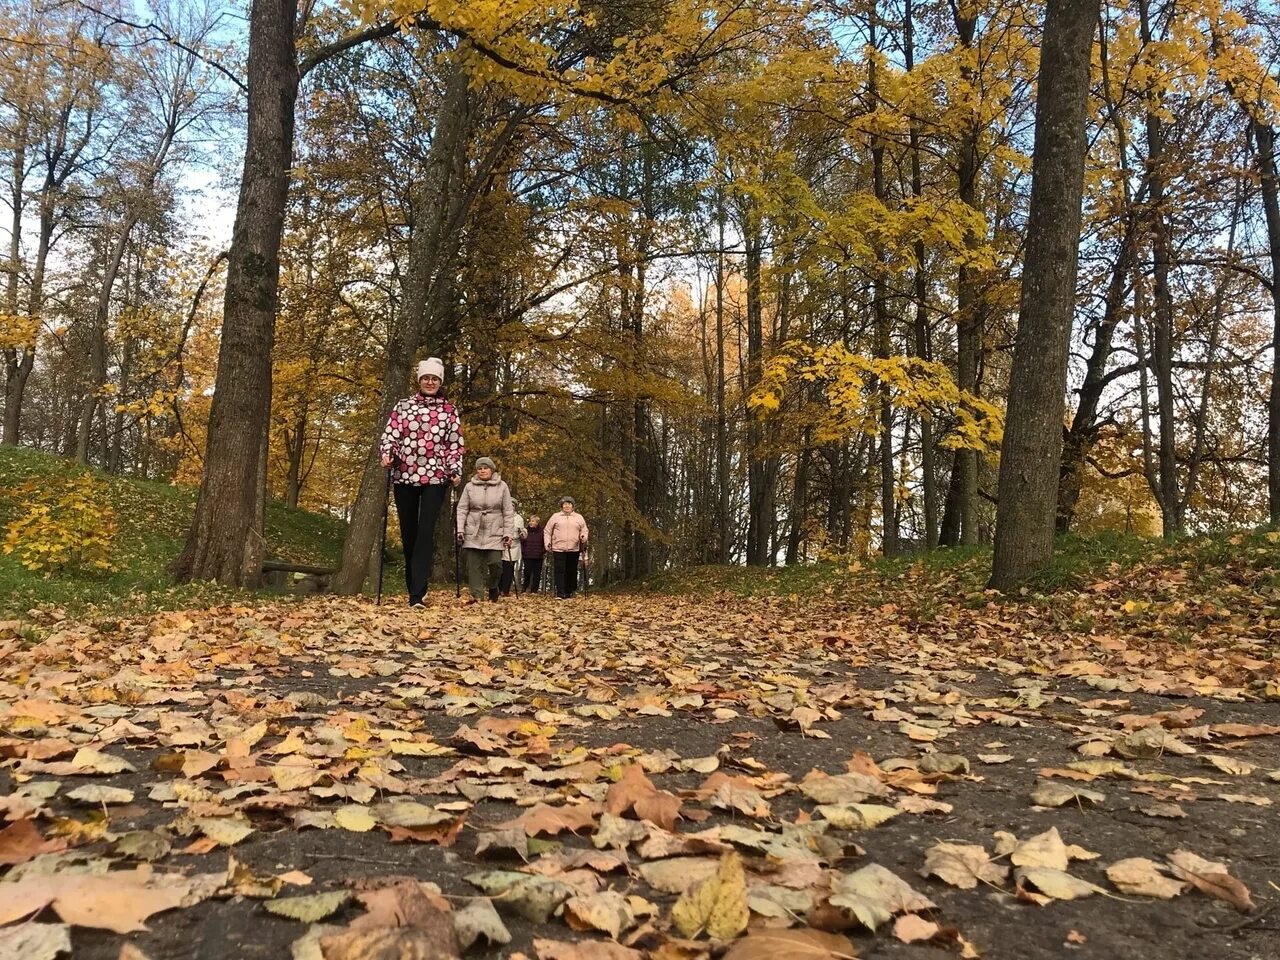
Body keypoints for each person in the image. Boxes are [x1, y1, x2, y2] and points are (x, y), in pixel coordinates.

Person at [379, 357, 463, 607]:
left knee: (426, 532)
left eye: (434, 379)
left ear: (440, 382)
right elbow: (391, 435)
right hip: (404, 475)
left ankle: (416, 594)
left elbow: (454, 446)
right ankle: (415, 585)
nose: (430, 382)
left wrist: (455, 469)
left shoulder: (449, 411)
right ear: (419, 380)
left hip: (436, 478)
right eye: (426, 378)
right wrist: (387, 455)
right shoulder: (403, 407)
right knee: (409, 533)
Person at [455, 457, 515, 602]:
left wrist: (508, 533)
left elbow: (508, 511)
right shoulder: (469, 486)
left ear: (491, 469)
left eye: (485, 468)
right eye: (479, 468)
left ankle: (493, 586)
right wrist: (460, 529)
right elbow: (462, 508)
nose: (482, 471)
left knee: (496, 564)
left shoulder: (502, 486)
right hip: (473, 530)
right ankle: (477, 596)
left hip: (495, 530)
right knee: (474, 566)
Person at [544, 496, 588, 599]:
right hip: (558, 547)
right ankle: (560, 592)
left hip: (574, 548)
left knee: (571, 570)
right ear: (561, 506)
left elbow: (584, 530)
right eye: (565, 504)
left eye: (569, 504)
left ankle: (570, 591)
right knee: (559, 570)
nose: (567, 506)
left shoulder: (579, 517)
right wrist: (547, 543)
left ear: (573, 506)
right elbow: (547, 531)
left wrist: (583, 537)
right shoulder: (555, 516)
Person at [499, 502, 527, 596]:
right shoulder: (500, 515)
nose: (511, 507)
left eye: (513, 505)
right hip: (500, 544)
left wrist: (522, 533)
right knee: (499, 567)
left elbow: (522, 531)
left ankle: (505, 590)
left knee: (509, 568)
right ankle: (498, 588)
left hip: (513, 545)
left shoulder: (518, 518)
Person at [520, 512, 546, 593]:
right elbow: (521, 542)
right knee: (527, 573)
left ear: (537, 523)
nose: (531, 522)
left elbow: (545, 543)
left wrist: (542, 552)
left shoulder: (542, 532)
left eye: (533, 521)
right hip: (527, 556)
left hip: (538, 556)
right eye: (530, 521)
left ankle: (534, 590)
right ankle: (524, 588)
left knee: (537, 574)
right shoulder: (525, 531)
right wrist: (523, 551)